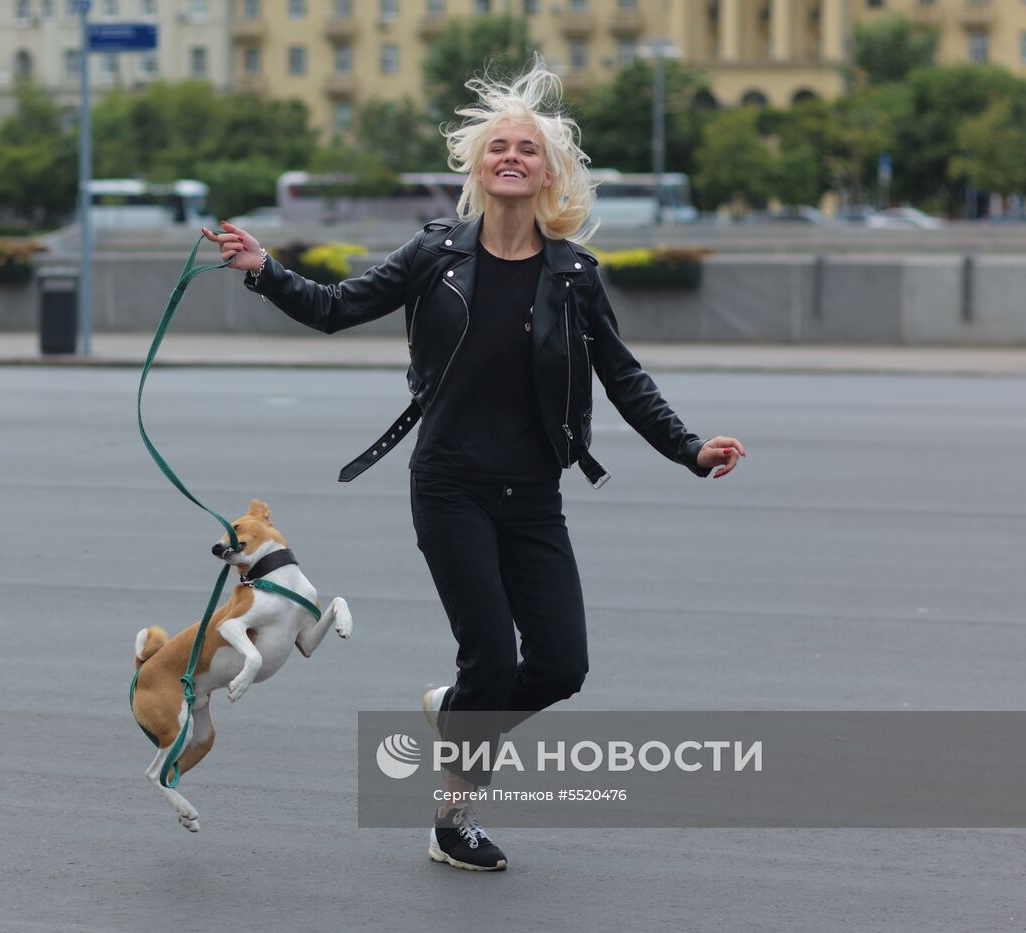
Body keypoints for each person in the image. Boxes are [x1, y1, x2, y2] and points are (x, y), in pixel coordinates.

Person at [203, 62, 745, 872]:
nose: (513, 157)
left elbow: (623, 376)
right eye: (500, 146)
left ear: (548, 171)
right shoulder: (434, 256)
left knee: (561, 664)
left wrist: (690, 448)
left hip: (533, 496)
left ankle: (455, 710)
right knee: (491, 655)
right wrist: (263, 270)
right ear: (479, 167)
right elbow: (336, 307)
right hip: (450, 485)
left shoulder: (573, 277)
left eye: (529, 148)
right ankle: (453, 819)